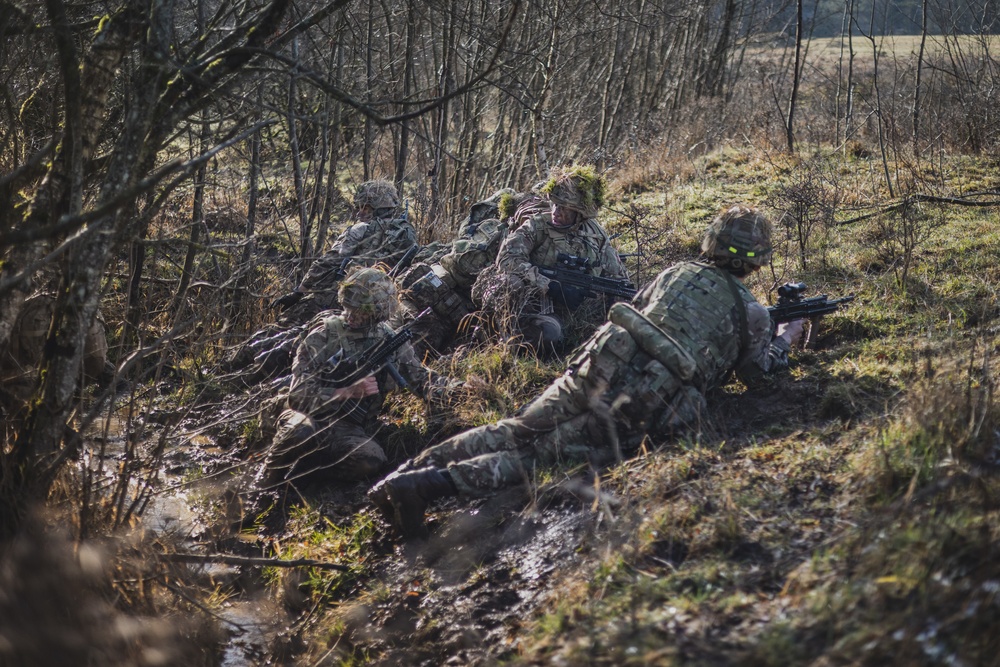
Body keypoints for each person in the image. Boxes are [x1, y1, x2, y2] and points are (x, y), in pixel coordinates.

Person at [368, 204, 806, 539]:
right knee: (541, 457)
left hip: (595, 362)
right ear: (758, 258)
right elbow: (760, 376)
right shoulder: (752, 312)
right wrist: (787, 335)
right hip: (637, 399)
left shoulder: (675, 272)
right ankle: (429, 486)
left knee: (517, 426)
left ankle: (400, 477)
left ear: (711, 241)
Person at [261, 267, 449, 486]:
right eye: (348, 307)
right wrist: (345, 392)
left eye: (361, 311)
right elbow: (297, 396)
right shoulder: (324, 335)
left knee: (370, 460)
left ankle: (304, 479)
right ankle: (263, 482)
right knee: (300, 432)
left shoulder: (389, 340)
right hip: (307, 414)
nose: (351, 315)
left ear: (378, 313)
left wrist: (458, 390)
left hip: (348, 427)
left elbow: (421, 379)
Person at [473, 165, 629, 353]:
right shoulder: (537, 225)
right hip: (529, 299)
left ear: (579, 213)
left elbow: (619, 279)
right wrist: (550, 285)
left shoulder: (595, 236)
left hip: (561, 312)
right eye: (554, 204)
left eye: (564, 208)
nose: (555, 211)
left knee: (550, 334)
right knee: (507, 283)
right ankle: (492, 339)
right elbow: (507, 258)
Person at [390, 188, 545, 357]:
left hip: (446, 308)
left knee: (405, 349)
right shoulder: (497, 232)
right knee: (394, 348)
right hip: (426, 296)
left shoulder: (527, 245)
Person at [274, 179, 417, 322]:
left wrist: (298, 292)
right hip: (385, 305)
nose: (359, 213)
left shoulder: (360, 229)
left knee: (286, 323)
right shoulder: (407, 232)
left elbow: (328, 261)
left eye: (365, 208)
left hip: (348, 297)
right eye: (359, 208)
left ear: (378, 208)